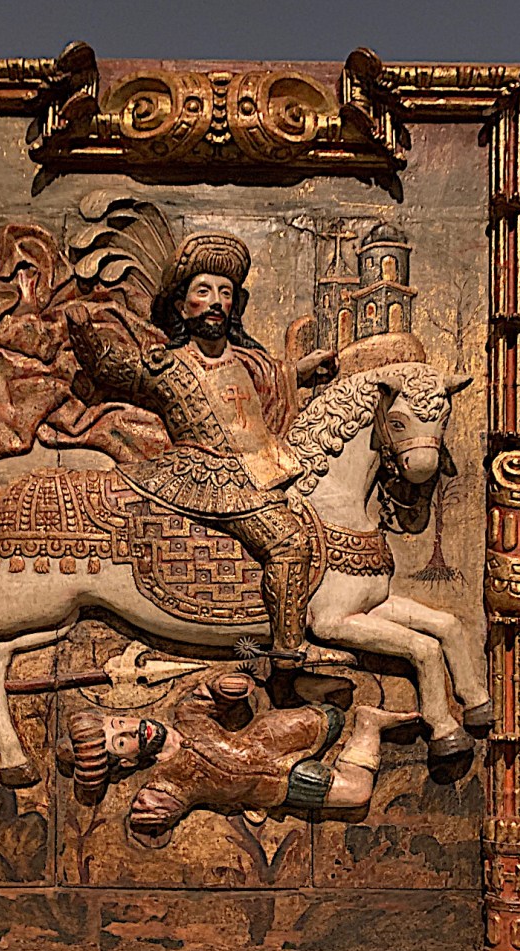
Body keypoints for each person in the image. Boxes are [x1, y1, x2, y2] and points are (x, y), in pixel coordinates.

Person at [66, 232, 336, 668]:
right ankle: (289, 651)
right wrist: (82, 329)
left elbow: (273, 378)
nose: (215, 302)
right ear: (181, 306)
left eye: (225, 293)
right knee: (288, 542)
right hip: (204, 476)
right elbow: (110, 368)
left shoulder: (248, 362)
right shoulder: (167, 365)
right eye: (204, 291)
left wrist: (301, 371)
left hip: (256, 470)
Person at [59, 671, 418, 839]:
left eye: (121, 723)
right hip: (278, 787)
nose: (135, 731)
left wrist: (224, 687)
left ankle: (290, 686)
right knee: (357, 792)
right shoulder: (167, 781)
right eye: (121, 743)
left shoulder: (186, 715)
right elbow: (160, 807)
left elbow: (208, 696)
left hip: (271, 737)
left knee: (334, 718)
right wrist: (150, 811)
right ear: (126, 762)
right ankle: (369, 724)